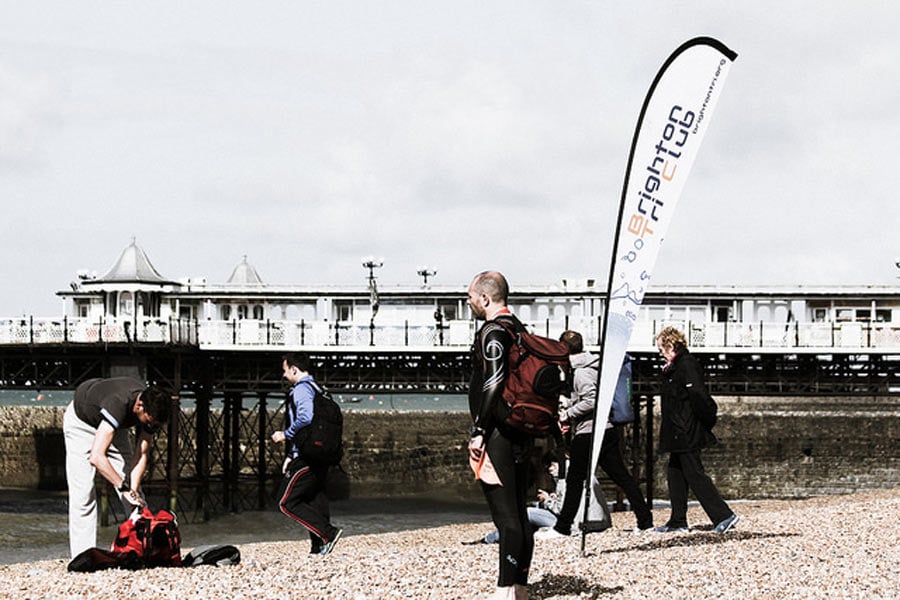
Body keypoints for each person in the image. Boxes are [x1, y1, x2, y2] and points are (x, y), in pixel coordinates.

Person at [537, 331, 653, 540]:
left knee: (574, 481)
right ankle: (645, 521)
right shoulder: (589, 366)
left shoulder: (582, 372)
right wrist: (570, 405)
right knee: (622, 477)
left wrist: (568, 413)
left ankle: (562, 527)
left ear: (565, 350)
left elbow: (592, 400)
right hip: (604, 430)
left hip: (589, 431)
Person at [467, 271, 533, 600]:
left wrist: (479, 429)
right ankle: (520, 585)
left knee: (505, 514)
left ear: (486, 298)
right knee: (519, 511)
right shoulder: (518, 329)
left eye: (471, 297)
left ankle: (505, 590)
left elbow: (492, 382)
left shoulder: (493, 331)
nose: (469, 302)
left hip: (498, 433)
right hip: (521, 429)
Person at [63, 377, 171, 558]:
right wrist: (122, 486)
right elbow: (97, 457)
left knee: (135, 496)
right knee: (83, 492)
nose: (151, 427)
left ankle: (145, 547)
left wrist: (133, 489)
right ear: (139, 407)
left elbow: (141, 453)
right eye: (149, 422)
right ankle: (84, 555)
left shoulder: (151, 409)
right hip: (81, 423)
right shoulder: (118, 402)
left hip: (114, 427)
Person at [654, 326, 739, 534]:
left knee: (694, 474)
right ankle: (677, 520)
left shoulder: (686, 365)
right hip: (677, 429)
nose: (659, 353)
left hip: (685, 429)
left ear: (670, 345)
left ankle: (724, 515)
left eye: (661, 349)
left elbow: (700, 397)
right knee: (675, 473)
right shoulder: (675, 367)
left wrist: (705, 423)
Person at [272, 353, 343, 556]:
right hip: (322, 452)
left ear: (294, 369)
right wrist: (289, 456)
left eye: (285, 370)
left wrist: (284, 435)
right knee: (314, 498)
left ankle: (328, 534)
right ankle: (318, 547)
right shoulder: (318, 389)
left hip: (308, 454)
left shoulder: (301, 389)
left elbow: (305, 417)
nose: (284, 375)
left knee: (286, 502)